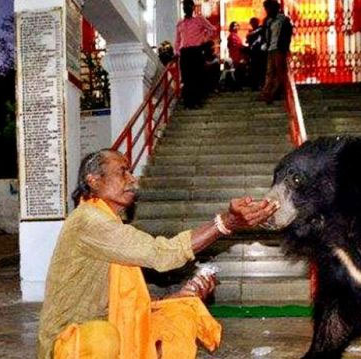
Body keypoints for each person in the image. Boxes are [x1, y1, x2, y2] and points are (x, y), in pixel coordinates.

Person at [36, 149, 279, 359]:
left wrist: (178, 296)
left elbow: (126, 300)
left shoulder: (111, 224)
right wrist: (226, 222)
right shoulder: (88, 220)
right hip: (68, 342)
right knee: (101, 337)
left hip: (109, 323)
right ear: (94, 181)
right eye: (123, 172)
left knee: (181, 313)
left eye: (131, 171)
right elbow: (161, 254)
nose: (133, 180)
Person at [175, 0, 215, 109]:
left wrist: (204, 40)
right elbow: (178, 40)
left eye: (188, 6)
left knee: (197, 76)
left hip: (196, 51)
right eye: (184, 6)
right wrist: (177, 52)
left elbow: (212, 29)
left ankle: (197, 101)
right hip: (185, 53)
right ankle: (188, 103)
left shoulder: (199, 20)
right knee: (186, 78)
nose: (185, 8)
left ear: (192, 7)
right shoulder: (180, 23)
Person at [261, 0, 293, 104]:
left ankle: (274, 93)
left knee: (279, 72)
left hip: (279, 49)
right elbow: (265, 33)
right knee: (269, 72)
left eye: (268, 8)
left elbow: (287, 34)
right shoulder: (268, 21)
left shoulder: (283, 20)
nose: (267, 11)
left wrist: (285, 47)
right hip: (271, 48)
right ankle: (267, 93)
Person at [246, 17, 266, 90]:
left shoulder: (260, 29)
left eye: (253, 22)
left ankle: (260, 84)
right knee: (254, 70)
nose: (252, 24)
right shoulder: (253, 31)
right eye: (252, 23)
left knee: (260, 69)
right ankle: (255, 85)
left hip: (259, 53)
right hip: (254, 53)